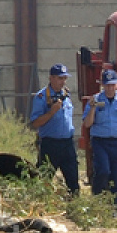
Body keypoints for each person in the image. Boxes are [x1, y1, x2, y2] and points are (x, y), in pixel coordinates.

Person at [82, 70, 117, 207]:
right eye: (107, 85)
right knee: (103, 170)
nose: (110, 88)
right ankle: (98, 201)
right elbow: (87, 124)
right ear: (102, 85)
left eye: (112, 85)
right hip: (100, 141)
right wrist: (92, 108)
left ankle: (116, 207)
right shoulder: (95, 100)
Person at [29, 62, 80, 197]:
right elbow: (35, 122)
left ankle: (75, 207)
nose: (62, 81)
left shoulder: (66, 95)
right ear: (51, 78)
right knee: (44, 179)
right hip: (50, 143)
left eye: (64, 78)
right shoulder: (42, 97)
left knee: (73, 181)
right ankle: (40, 206)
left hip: (68, 143)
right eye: (59, 78)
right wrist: (51, 112)